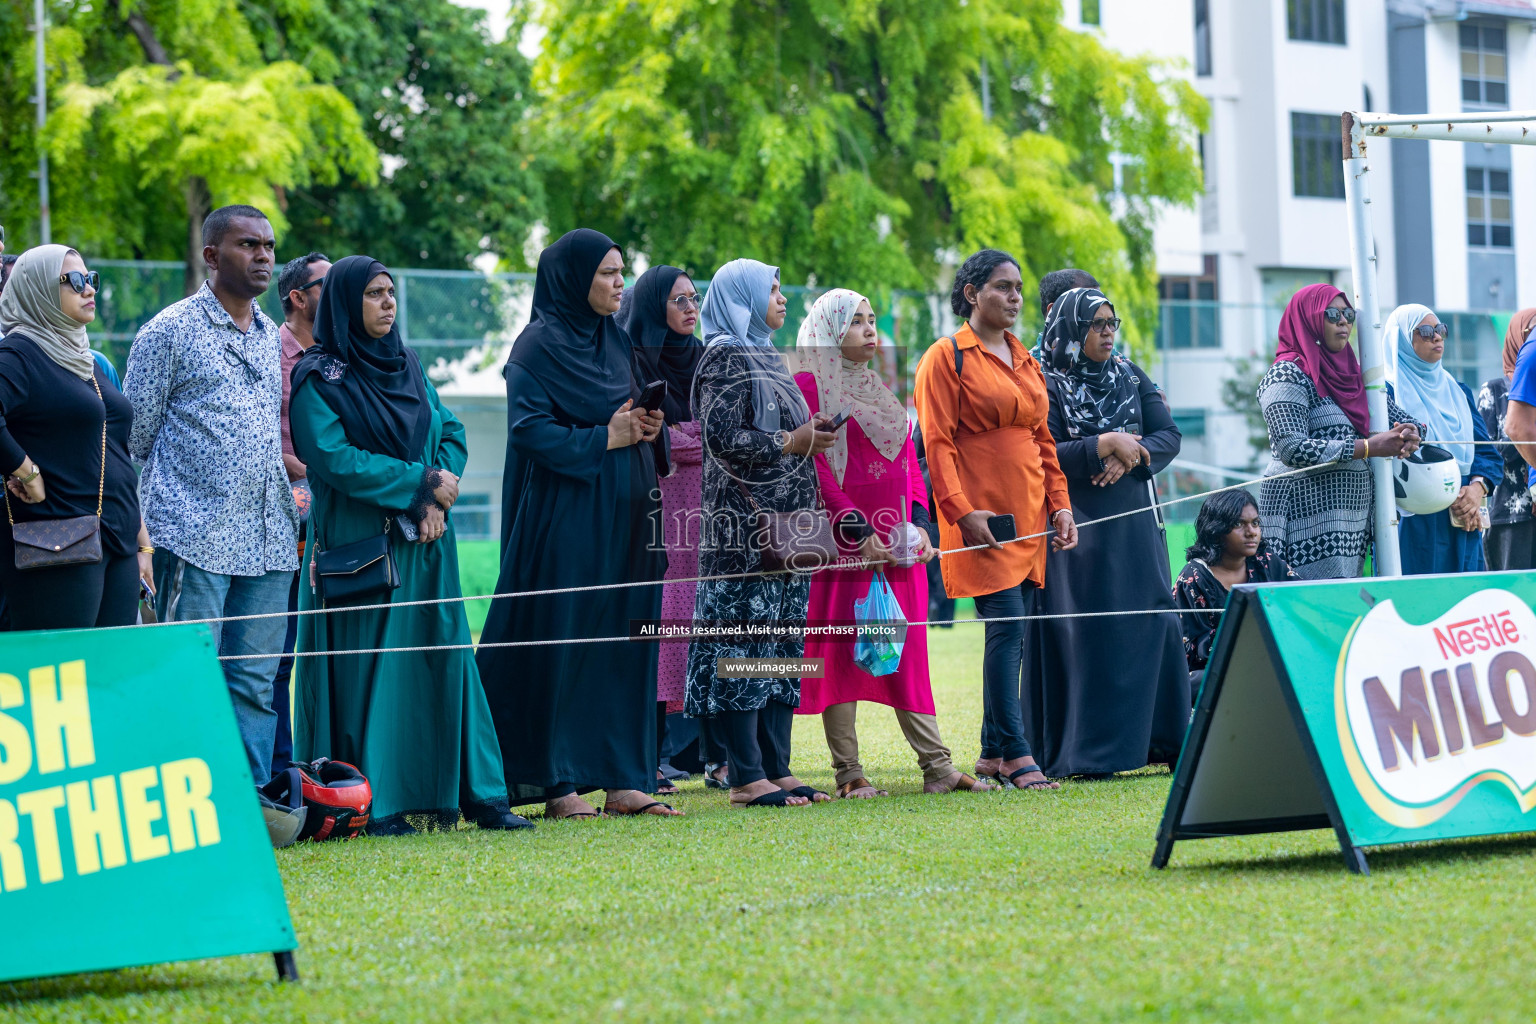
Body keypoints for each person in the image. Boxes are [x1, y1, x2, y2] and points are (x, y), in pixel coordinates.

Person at [289, 255, 529, 834]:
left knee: (443, 657)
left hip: (426, 543)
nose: (387, 303)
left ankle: (482, 794)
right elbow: (334, 459)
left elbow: (450, 429)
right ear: (347, 303)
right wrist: (418, 487)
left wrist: (439, 492)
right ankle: (376, 800)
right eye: (373, 294)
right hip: (365, 549)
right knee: (374, 669)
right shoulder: (318, 378)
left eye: (390, 292)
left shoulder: (408, 365)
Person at [476, 229, 681, 820]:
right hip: (568, 519)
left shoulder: (616, 342)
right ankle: (556, 783)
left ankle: (624, 778)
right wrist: (605, 436)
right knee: (563, 643)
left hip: (629, 517)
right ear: (574, 278)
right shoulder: (535, 346)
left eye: (622, 273)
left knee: (626, 642)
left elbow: (627, 413)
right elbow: (529, 431)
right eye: (608, 274)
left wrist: (646, 425)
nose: (621, 284)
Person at [125, 205, 299, 786]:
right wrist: (144, 540)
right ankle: (183, 806)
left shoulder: (269, 335)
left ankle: (244, 811)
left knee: (255, 682)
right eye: (248, 245)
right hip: (191, 538)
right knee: (188, 676)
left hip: (270, 541)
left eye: (269, 246)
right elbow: (133, 444)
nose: (264, 257)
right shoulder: (167, 332)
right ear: (210, 256)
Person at [793, 288, 992, 797]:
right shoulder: (809, 386)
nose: (868, 329)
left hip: (898, 546)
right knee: (840, 653)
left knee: (908, 650)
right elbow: (818, 469)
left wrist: (920, 526)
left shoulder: (877, 388)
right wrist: (857, 533)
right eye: (855, 321)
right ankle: (849, 773)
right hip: (846, 546)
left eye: (871, 319)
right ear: (829, 330)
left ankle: (939, 768)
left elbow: (909, 465)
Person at [913, 248, 1075, 792]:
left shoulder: (1025, 358)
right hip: (980, 520)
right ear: (971, 294)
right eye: (1002, 287)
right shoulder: (944, 357)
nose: (1015, 297)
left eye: (1019, 288)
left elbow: (1043, 440)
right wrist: (960, 513)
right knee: (1006, 628)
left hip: (1030, 519)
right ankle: (1018, 756)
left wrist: (1061, 506)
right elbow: (935, 444)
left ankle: (990, 753)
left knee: (1018, 632)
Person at [685, 258, 835, 809]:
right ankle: (746, 773)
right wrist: (790, 443)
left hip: (790, 528)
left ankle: (779, 766)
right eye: (771, 289)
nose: (782, 297)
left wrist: (809, 436)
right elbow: (723, 439)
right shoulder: (723, 355)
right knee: (744, 645)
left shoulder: (770, 355)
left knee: (780, 646)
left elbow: (785, 433)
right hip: (743, 533)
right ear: (741, 297)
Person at [1027, 287, 1188, 778]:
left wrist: (1125, 454)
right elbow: (1044, 447)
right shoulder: (1044, 379)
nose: (1107, 333)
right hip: (1073, 525)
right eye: (1096, 324)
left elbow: (1168, 437)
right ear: (1073, 330)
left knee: (1151, 621)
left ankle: (1160, 742)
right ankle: (1087, 753)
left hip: (1134, 523)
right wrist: (1102, 443)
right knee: (1086, 630)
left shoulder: (1128, 374)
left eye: (1111, 323)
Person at [0, 245, 153, 628]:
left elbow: (112, 453)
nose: (90, 290)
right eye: (75, 281)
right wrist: (24, 470)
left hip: (117, 538)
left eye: (92, 280)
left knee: (110, 676)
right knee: (63, 677)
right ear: (37, 289)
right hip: (58, 541)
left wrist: (142, 540)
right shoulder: (19, 353)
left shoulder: (80, 356)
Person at [616, 263, 712, 794]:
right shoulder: (631, 360)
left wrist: (685, 437)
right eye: (678, 300)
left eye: (694, 298)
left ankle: (705, 754)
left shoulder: (705, 361)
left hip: (710, 516)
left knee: (705, 629)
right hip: (658, 514)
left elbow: (710, 433)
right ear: (655, 306)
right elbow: (654, 440)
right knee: (661, 629)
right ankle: (647, 756)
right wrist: (691, 439)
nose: (690, 308)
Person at [1257, 283, 1422, 580]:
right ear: (1308, 318)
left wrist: (1411, 432)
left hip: (1348, 524)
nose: (1343, 321)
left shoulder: (1353, 375)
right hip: (1301, 519)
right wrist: (1368, 447)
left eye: (1348, 314)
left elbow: (1399, 418)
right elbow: (1291, 447)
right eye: (1332, 314)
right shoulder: (1287, 373)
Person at [269, 251, 331, 777]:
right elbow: (263, 441)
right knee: (279, 656)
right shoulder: (270, 351)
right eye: (326, 284)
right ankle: (281, 773)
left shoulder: (343, 354)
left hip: (341, 518)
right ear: (298, 296)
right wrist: (317, 471)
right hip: (288, 521)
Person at [1384, 304, 1501, 575]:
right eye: (1425, 331)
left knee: (1465, 604)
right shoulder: (1387, 393)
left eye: (1440, 330)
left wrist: (1475, 490)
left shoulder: (1457, 391)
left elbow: (1487, 454)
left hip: (1461, 513)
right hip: (1413, 518)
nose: (1437, 337)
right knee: (1416, 603)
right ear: (1401, 340)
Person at [1172, 490, 1296, 683]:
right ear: (1216, 529)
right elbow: (1190, 652)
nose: (1252, 532)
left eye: (1255, 523)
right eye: (1239, 524)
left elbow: (1299, 602)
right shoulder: (1193, 579)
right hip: (1214, 674)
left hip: (1266, 662)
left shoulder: (1266, 562)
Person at [1478, 309, 1536, 570]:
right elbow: (1488, 451)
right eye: (1529, 331)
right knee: (1516, 597)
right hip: (1512, 516)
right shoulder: (1495, 389)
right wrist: (1524, 432)